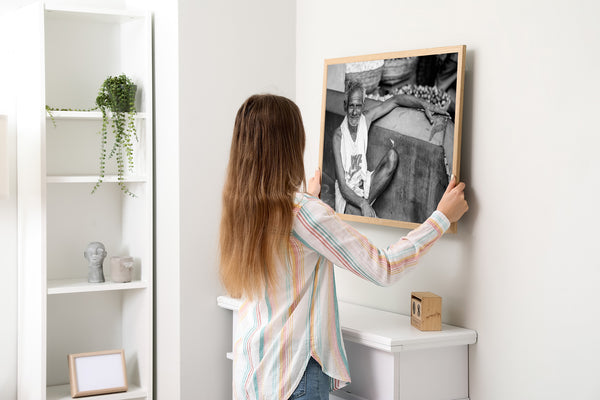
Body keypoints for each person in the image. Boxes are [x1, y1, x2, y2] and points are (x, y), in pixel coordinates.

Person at [219, 94, 468, 400]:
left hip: (252, 372)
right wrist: (441, 218)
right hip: (292, 378)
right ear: (289, 146)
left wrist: (310, 201)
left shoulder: (242, 208)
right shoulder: (303, 213)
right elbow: (384, 267)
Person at [333, 80, 449, 218]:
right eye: (351, 106)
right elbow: (343, 187)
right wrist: (363, 204)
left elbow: (395, 101)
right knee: (365, 217)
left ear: (363, 106)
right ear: (345, 105)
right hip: (348, 195)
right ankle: (360, 211)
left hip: (365, 185)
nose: (354, 111)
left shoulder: (366, 119)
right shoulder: (338, 136)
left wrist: (424, 105)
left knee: (392, 157)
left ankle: (362, 211)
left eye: (358, 106)